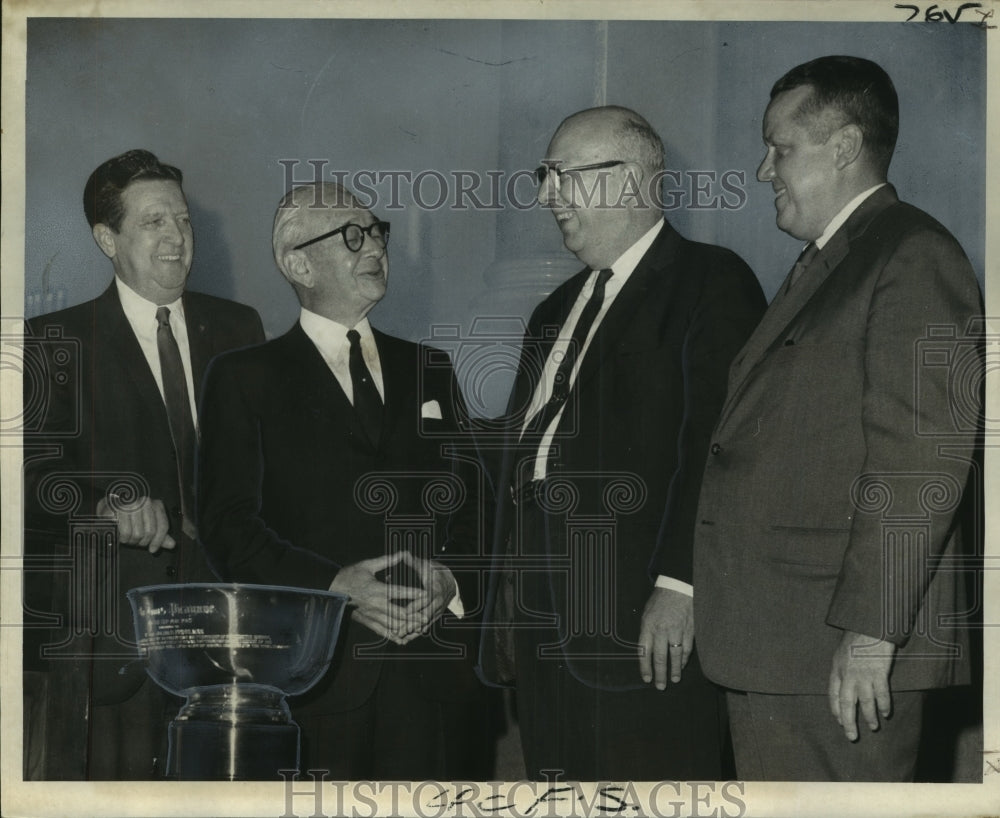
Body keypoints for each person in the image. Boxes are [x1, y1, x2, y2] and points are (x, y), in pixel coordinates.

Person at [692, 55, 983, 781]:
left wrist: (870, 635)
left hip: (835, 652)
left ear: (845, 147)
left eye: (780, 147)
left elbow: (922, 462)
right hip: (783, 642)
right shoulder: (836, 261)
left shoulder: (913, 256)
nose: (764, 170)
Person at [479, 106, 766, 780]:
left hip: (643, 619)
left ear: (632, 179)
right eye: (544, 177)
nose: (547, 195)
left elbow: (717, 448)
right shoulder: (551, 312)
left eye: (563, 175)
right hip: (543, 623)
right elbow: (520, 464)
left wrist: (682, 583)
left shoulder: (710, 281)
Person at [197, 181, 492, 779]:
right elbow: (227, 526)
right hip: (315, 682)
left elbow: (478, 505)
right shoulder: (243, 377)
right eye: (352, 235)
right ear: (297, 263)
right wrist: (333, 587)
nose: (374, 247)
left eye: (376, 231)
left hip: (435, 682)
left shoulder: (428, 368)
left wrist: (453, 581)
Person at [22, 149, 265, 779]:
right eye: (155, 222)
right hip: (113, 643)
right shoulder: (53, 343)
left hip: (230, 636)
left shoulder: (240, 328)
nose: (178, 238)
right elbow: (27, 484)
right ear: (107, 238)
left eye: (184, 221)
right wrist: (104, 504)